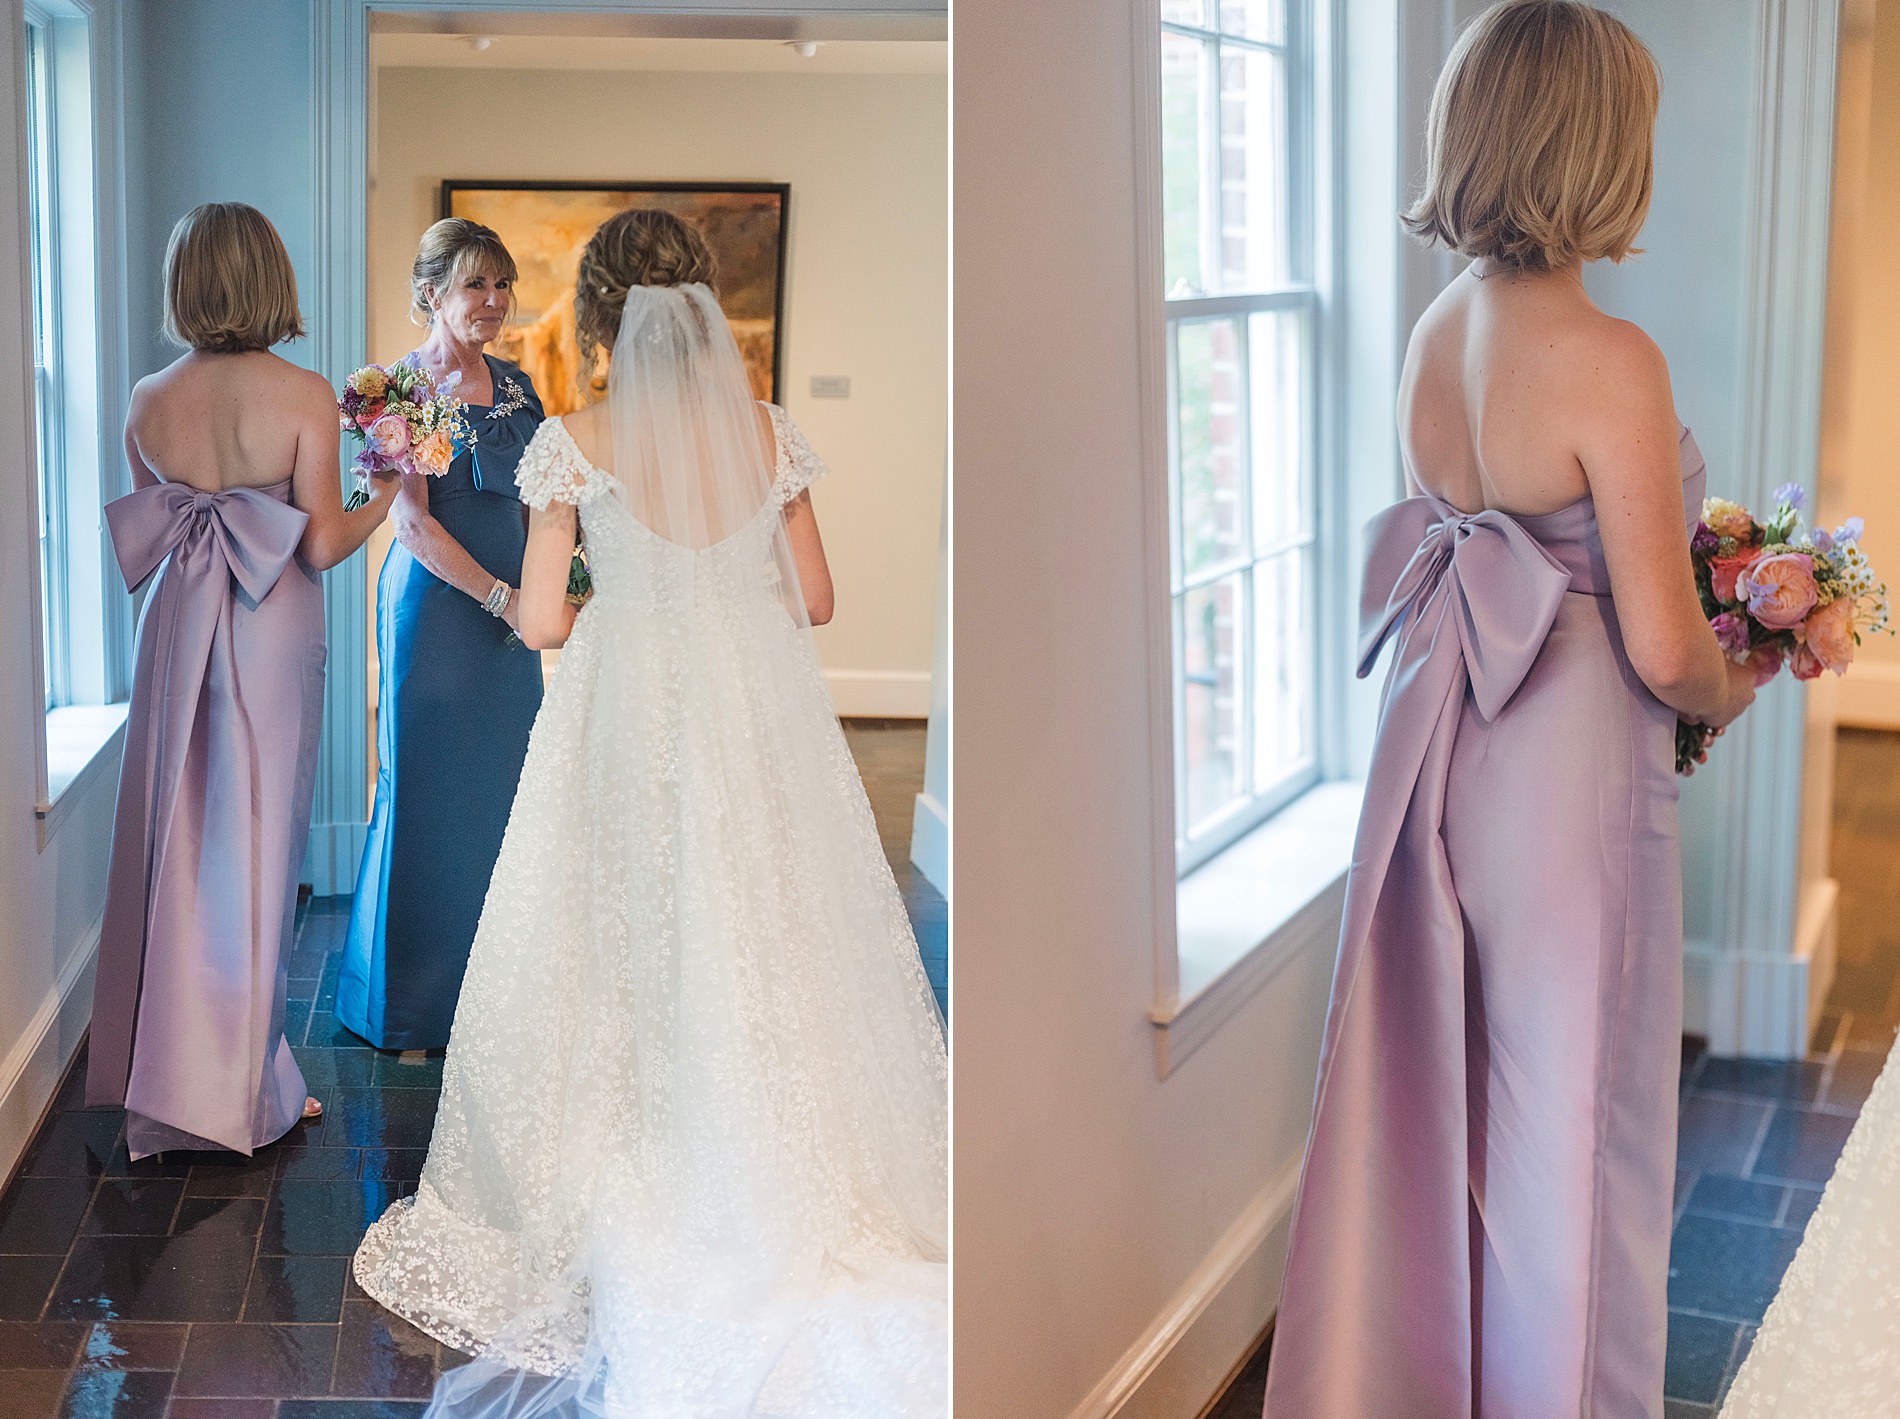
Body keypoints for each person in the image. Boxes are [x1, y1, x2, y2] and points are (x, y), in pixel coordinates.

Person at [353, 209, 947, 1416]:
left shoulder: (571, 439)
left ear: (604, 315)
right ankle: (774, 1160)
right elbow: (816, 599)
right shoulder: (768, 434)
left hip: (626, 716)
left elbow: (544, 625)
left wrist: (587, 579)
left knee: (619, 927)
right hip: (752, 720)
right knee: (762, 918)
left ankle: (648, 1150)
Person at [1260, 6, 1758, 1416]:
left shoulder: (1433, 332)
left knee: (1462, 1110)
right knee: (1580, 1135)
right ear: (1601, 149)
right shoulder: (1615, 358)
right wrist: (1748, 671)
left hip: (1441, 745)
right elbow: (1665, 647)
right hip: (1569, 776)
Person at [87, 202, 397, 1158]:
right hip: (268, 626)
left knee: (177, 843)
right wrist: (387, 482)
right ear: (271, 279)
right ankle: (244, 1087)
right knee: (259, 850)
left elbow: (157, 521)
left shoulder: (145, 398)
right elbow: (321, 541)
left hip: (175, 623)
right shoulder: (304, 395)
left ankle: (172, 1072)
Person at [338, 218, 546, 1051]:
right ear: (431, 292)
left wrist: (560, 587)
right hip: (438, 618)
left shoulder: (522, 388)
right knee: (422, 795)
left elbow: (544, 500)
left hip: (514, 621)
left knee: (509, 798)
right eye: (476, 285)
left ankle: (493, 1003)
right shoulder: (389, 391)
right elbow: (412, 529)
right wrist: (502, 597)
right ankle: (409, 1008)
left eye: (503, 284)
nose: (494, 302)